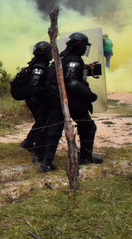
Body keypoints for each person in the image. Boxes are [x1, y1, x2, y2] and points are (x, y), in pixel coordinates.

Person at [42, 32, 103, 172]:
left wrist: (87, 68)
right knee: (88, 126)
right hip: (71, 101)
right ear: (78, 46)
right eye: (83, 46)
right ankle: (86, 157)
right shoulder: (73, 60)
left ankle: (45, 162)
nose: (84, 49)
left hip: (56, 100)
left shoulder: (62, 57)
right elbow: (72, 82)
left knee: (54, 130)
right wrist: (90, 95)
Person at [20, 41, 53, 162]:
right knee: (43, 123)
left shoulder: (39, 64)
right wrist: (46, 91)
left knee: (40, 122)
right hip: (35, 100)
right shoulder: (39, 67)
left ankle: (28, 143)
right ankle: (37, 148)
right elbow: (34, 86)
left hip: (35, 99)